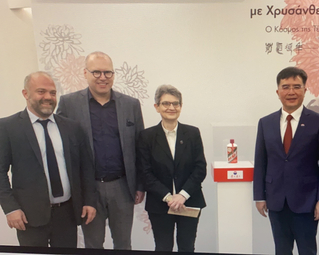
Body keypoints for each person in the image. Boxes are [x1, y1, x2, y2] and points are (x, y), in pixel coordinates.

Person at [56, 51, 144, 249]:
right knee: (93, 244)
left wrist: (139, 185)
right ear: (85, 73)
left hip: (122, 187)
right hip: (89, 189)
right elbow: (61, 146)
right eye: (96, 72)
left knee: (123, 244)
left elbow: (140, 148)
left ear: (113, 75)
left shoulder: (131, 105)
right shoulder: (69, 104)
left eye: (107, 72)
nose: (102, 78)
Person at [0, 72, 97, 247]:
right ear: (25, 94)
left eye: (52, 93)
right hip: (29, 216)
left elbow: (86, 168)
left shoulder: (72, 127)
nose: (48, 97)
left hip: (67, 214)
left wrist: (89, 200)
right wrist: (11, 208)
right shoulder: (8, 128)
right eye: (41, 91)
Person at [253, 67, 319, 255]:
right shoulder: (266, 123)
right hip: (276, 200)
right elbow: (261, 161)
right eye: (285, 87)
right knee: (281, 250)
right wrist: (259, 196)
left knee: (307, 250)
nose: (291, 92)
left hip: (307, 201)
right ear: (278, 92)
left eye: (297, 87)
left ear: (305, 90)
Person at [136, 84, 206, 252]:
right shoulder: (146, 137)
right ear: (157, 107)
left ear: (181, 107)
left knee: (187, 247)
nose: (171, 107)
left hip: (188, 202)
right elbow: (145, 173)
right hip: (160, 204)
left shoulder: (193, 133)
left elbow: (200, 168)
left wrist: (182, 195)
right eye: (166, 103)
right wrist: (169, 198)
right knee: (163, 247)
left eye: (176, 103)